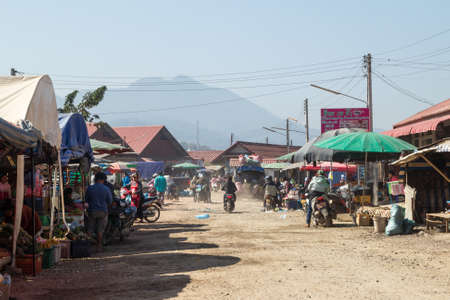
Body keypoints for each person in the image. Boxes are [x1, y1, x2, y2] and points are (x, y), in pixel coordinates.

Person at [85, 172, 112, 252]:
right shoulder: (106, 189)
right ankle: (99, 246)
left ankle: (87, 247)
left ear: (95, 179)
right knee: (100, 230)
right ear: (103, 180)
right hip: (103, 211)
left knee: (90, 229)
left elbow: (86, 200)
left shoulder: (90, 188)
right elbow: (110, 201)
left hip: (92, 211)